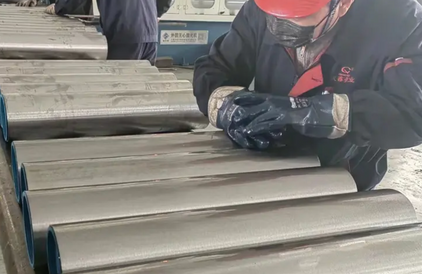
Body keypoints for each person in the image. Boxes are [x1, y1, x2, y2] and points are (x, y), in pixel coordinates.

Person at [193, 0, 422, 191]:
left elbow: (412, 114)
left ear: (342, 5)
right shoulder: (261, 7)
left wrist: (313, 112)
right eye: (274, 14)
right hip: (264, 166)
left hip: (343, 176)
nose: (279, 24)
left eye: (298, 16)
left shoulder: (401, 21)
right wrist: (226, 107)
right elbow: (215, 68)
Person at [34, 0, 173, 63]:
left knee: (122, 92)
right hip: (150, 32)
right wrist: (156, 13)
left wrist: (58, 7)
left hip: (124, 31)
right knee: (145, 90)